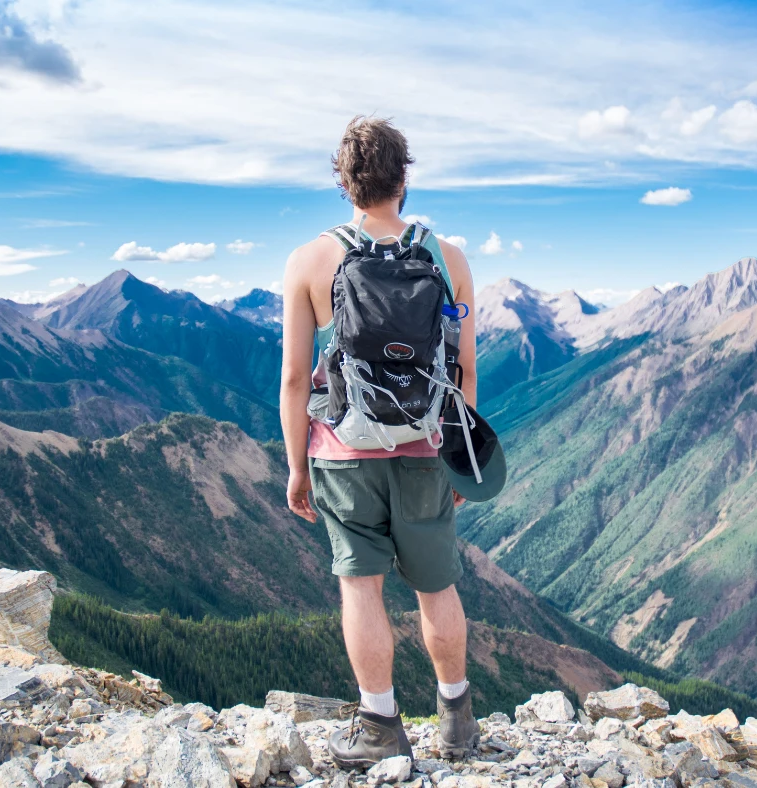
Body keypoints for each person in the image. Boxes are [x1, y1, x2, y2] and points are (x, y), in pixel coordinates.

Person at [279, 115, 479, 767]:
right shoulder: (447, 259)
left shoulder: (309, 260)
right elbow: (463, 370)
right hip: (426, 447)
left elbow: (290, 377)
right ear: (403, 176)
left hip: (341, 451)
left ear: (344, 183)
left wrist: (296, 468)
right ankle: (457, 724)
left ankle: (379, 726)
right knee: (436, 586)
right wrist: (462, 459)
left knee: (360, 589)